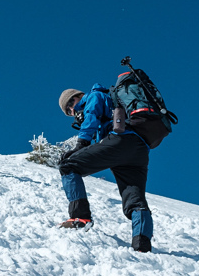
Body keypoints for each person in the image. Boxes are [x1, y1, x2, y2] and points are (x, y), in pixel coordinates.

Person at [56, 85, 154, 252]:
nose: (72, 113)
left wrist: (81, 144)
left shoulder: (93, 97)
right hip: (138, 149)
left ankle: (81, 217)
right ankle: (141, 243)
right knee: (134, 196)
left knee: (68, 166)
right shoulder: (107, 102)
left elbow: (91, 117)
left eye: (69, 109)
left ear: (75, 99)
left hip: (120, 140)